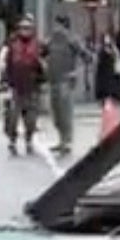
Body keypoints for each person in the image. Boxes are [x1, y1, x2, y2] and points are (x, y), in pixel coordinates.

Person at [0, 18, 46, 156]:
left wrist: (42, 77)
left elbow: (43, 66)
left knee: (31, 118)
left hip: (32, 86)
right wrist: (5, 81)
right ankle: (12, 140)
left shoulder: (38, 46)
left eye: (28, 28)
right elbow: (7, 65)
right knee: (12, 117)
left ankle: (29, 139)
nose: (25, 31)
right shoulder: (12, 45)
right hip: (16, 87)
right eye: (22, 28)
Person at [43, 14, 83, 152]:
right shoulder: (50, 41)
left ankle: (67, 141)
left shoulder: (72, 40)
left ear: (64, 25)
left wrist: (76, 72)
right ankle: (61, 139)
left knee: (65, 112)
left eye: (58, 25)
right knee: (56, 113)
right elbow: (41, 54)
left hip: (65, 80)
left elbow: (86, 56)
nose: (56, 28)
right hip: (53, 80)